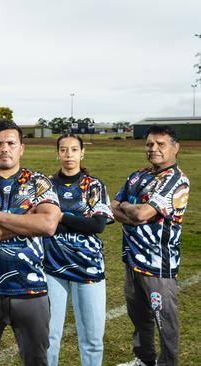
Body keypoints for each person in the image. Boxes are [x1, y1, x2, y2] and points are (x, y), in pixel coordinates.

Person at [0, 120, 61, 366]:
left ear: (21, 148)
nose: (4, 148)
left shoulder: (39, 182)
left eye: (10, 143)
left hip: (31, 289)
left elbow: (48, 225)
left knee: (37, 360)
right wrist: (26, 222)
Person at [112, 125, 190, 366]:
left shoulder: (177, 181)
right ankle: (144, 359)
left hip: (158, 264)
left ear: (175, 148)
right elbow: (112, 205)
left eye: (160, 144)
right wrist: (130, 210)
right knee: (139, 316)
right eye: (149, 144)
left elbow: (141, 213)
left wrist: (129, 209)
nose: (153, 149)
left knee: (164, 319)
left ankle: (168, 363)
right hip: (132, 259)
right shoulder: (138, 175)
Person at [43, 134, 114, 366]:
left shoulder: (94, 186)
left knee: (92, 338)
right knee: (50, 336)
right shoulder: (46, 185)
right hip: (52, 266)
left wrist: (60, 216)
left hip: (89, 267)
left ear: (82, 153)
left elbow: (97, 225)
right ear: (57, 153)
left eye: (74, 149)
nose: (69, 154)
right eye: (64, 150)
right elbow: (43, 225)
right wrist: (76, 221)